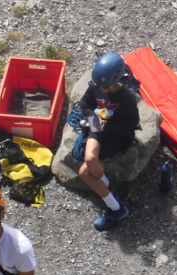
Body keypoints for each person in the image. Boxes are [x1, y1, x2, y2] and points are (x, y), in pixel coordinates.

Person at [76, 52, 139, 231]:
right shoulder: (96, 86)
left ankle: (116, 208)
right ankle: (106, 185)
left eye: (105, 86)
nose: (100, 89)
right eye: (99, 85)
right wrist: (95, 122)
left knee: (85, 173)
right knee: (89, 161)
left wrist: (108, 127)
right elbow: (85, 104)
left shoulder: (127, 98)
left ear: (116, 80)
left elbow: (130, 125)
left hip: (115, 136)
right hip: (97, 126)